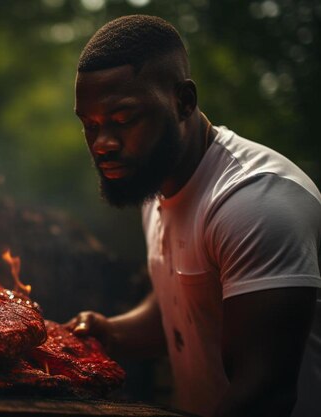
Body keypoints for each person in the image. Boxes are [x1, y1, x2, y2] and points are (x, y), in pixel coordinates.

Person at [68, 15, 321, 417]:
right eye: (90, 125)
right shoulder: (155, 181)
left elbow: (265, 395)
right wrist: (112, 332)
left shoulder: (253, 202)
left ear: (183, 101)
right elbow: (184, 301)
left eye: (123, 119)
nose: (103, 144)